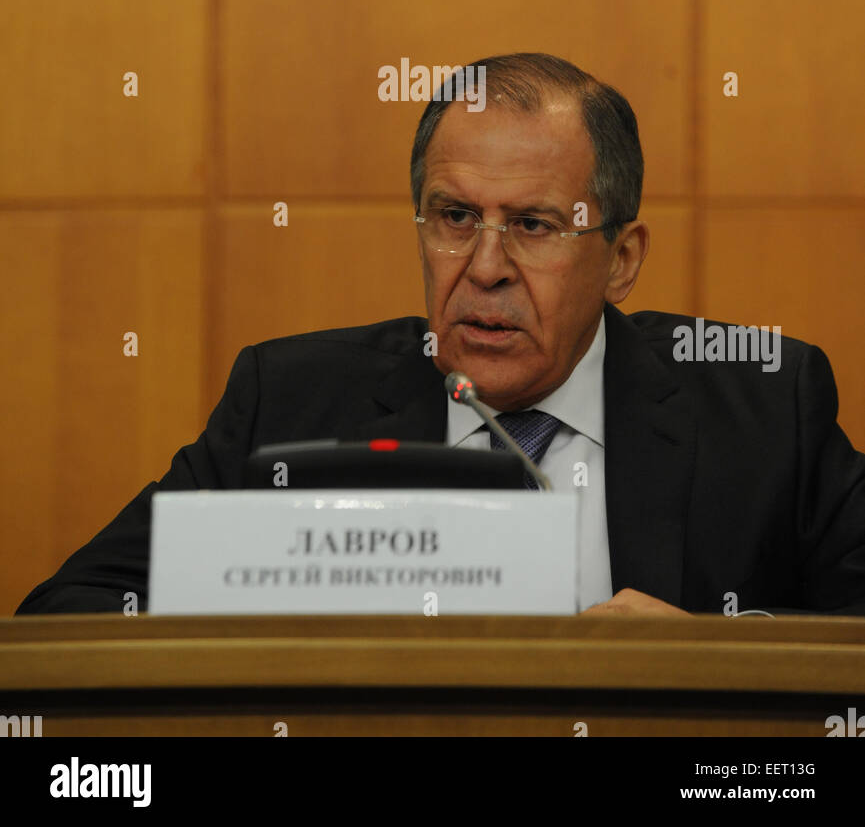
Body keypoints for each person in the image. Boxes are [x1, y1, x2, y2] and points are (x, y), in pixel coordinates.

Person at [16, 53, 865, 616]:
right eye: (454, 217)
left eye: (533, 225)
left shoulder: (761, 409)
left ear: (620, 260)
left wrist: (708, 664)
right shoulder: (294, 400)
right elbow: (73, 612)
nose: (484, 266)